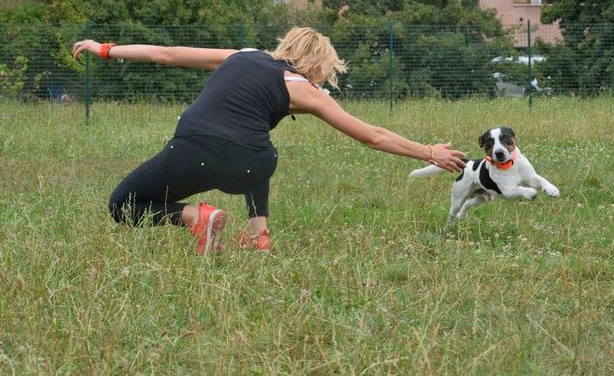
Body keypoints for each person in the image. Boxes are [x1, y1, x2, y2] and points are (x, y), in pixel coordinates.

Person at [72, 27, 466, 254]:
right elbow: (372, 136)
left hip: (194, 150)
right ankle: (258, 235)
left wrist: (105, 49)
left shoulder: (243, 55)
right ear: (318, 64)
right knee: (258, 149)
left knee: (122, 204)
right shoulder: (305, 90)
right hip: (249, 163)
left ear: (286, 45)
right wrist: (429, 151)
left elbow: (166, 54)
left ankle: (196, 218)